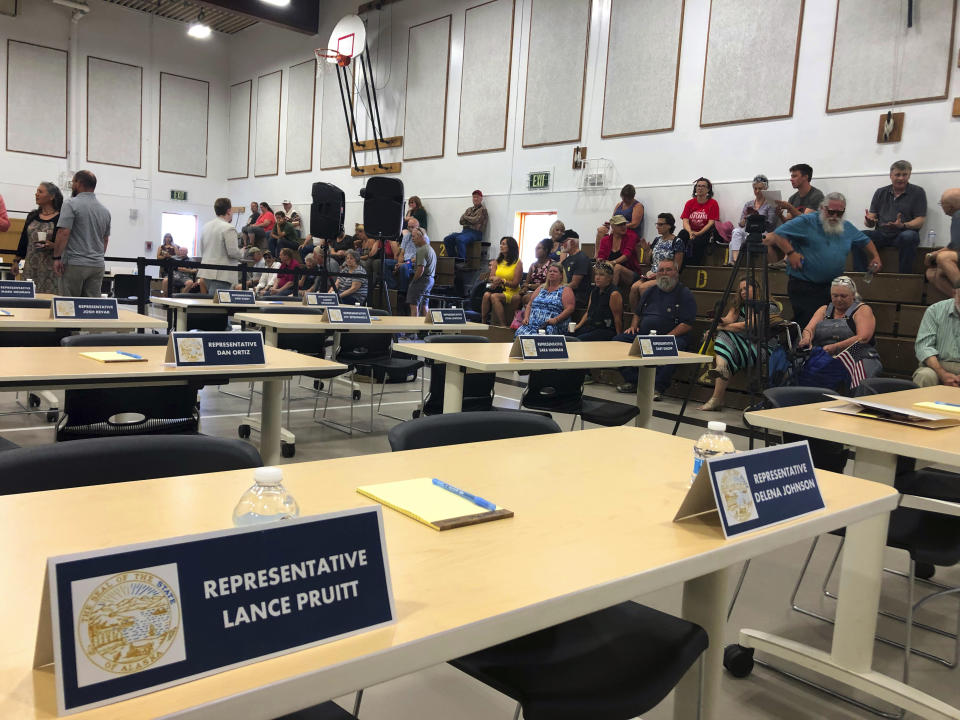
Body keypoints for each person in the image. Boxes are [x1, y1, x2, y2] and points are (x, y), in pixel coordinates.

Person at [764, 192, 882, 330]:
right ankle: (800, 349)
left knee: (831, 326)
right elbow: (778, 234)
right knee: (808, 325)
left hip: (831, 287)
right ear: (822, 208)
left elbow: (865, 240)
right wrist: (791, 253)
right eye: (831, 212)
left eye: (839, 213)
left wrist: (875, 256)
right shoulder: (807, 221)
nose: (834, 216)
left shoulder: (846, 226)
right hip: (805, 285)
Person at [613, 259, 696, 399]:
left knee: (675, 347)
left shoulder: (684, 293)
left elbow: (687, 323)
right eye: (661, 270)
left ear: (676, 273)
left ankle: (657, 387)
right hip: (646, 335)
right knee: (617, 341)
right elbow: (638, 313)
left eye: (668, 270)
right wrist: (633, 326)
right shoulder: (650, 291)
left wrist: (667, 337)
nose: (664, 273)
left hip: (672, 337)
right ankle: (634, 381)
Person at [698, 279, 781, 411]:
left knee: (724, 337)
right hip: (743, 344)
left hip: (762, 347)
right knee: (724, 340)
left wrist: (719, 328)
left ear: (757, 289)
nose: (743, 292)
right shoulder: (739, 305)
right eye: (741, 289)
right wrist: (718, 320)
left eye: (746, 288)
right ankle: (721, 368)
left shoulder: (769, 307)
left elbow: (746, 326)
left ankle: (717, 398)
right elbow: (728, 320)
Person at [797, 275, 883, 388]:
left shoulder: (862, 310)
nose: (838, 299)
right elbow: (809, 329)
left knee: (860, 386)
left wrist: (835, 347)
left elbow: (864, 337)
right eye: (835, 295)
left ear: (853, 295)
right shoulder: (823, 310)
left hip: (858, 357)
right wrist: (806, 338)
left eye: (843, 296)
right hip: (826, 357)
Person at [855, 160, 926, 274]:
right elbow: (871, 220)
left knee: (909, 237)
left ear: (909, 175)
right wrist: (869, 221)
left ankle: (904, 277)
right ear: (890, 176)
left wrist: (903, 225)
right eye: (897, 175)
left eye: (905, 175)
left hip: (903, 234)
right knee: (857, 237)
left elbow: (920, 220)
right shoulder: (880, 192)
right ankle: (861, 276)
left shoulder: (918, 192)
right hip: (882, 234)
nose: (901, 178)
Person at [53, 170, 111, 297]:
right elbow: (105, 240)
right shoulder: (105, 211)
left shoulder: (70, 203)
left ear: (79, 183)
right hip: (97, 266)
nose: (72, 185)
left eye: (73, 182)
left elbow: (63, 232)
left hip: (75, 264)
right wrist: (95, 257)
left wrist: (57, 257)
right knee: (90, 308)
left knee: (69, 307)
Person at [629, 213, 684, 308]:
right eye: (657, 224)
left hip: (667, 276)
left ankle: (648, 316)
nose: (657, 227)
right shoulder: (656, 240)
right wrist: (646, 250)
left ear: (669, 226)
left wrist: (659, 274)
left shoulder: (677, 241)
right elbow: (647, 262)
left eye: (660, 224)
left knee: (643, 287)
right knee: (634, 288)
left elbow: (677, 267)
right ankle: (636, 317)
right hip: (652, 274)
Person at [16, 181, 62, 294]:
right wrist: (15, 261)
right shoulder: (32, 216)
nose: (36, 194)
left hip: (50, 268)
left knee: (48, 299)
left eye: (40, 192)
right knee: (28, 297)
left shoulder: (60, 217)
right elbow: (23, 240)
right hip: (30, 266)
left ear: (51, 196)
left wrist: (53, 245)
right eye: (37, 191)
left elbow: (65, 242)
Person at [912, 280, 960, 387]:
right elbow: (924, 347)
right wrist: (942, 374)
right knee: (924, 376)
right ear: (954, 293)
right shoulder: (935, 310)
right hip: (938, 365)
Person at [196, 197, 243, 295]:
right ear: (229, 211)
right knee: (217, 307)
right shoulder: (229, 228)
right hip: (222, 275)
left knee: (209, 304)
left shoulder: (206, 226)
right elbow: (233, 252)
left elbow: (202, 249)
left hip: (206, 273)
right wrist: (242, 252)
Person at [514, 262, 575, 336]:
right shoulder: (541, 288)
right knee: (520, 332)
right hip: (533, 322)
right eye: (550, 271)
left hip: (552, 324)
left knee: (539, 336)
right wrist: (526, 317)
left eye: (555, 271)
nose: (552, 273)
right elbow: (530, 304)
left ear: (561, 275)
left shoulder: (565, 289)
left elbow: (570, 309)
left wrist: (556, 319)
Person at [568, 261, 623, 341]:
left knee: (578, 340)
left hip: (606, 330)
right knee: (568, 335)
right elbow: (588, 312)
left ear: (609, 278)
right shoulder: (594, 291)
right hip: (591, 327)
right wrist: (578, 326)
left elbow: (617, 319)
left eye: (601, 275)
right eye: (596, 274)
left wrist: (618, 338)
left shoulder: (613, 294)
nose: (597, 277)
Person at [729, 175, 776, 265]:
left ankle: (735, 261)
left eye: (760, 189)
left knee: (733, 243)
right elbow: (741, 224)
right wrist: (746, 219)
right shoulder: (749, 204)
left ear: (766, 189)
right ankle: (735, 261)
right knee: (736, 231)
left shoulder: (770, 204)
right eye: (755, 189)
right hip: (749, 231)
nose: (757, 191)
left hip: (763, 232)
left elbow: (771, 225)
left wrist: (758, 219)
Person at [924, 188, 960, 297]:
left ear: (949, 206)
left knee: (944, 258)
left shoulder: (958, 215)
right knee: (933, 274)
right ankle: (957, 299)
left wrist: (932, 255)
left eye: (942, 204)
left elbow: (955, 246)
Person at [481, 236, 522, 326]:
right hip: (498, 288)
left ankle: (503, 325)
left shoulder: (518, 262)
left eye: (503, 244)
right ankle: (483, 323)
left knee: (494, 297)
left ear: (510, 247)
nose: (501, 246)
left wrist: (502, 281)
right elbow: (491, 277)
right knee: (486, 295)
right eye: (501, 244)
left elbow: (515, 284)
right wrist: (495, 279)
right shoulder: (497, 261)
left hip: (511, 291)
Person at [678, 177, 721, 265]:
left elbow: (711, 222)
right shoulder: (689, 203)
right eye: (698, 186)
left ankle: (693, 265)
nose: (700, 188)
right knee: (682, 235)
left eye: (703, 186)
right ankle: (678, 262)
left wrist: (698, 233)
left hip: (704, 232)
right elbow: (685, 221)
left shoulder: (713, 203)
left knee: (698, 241)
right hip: (691, 231)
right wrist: (690, 232)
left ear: (708, 189)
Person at [595, 215, 640, 289]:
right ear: (612, 226)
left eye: (624, 224)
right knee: (600, 270)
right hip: (610, 271)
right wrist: (600, 262)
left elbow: (627, 255)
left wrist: (612, 263)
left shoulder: (631, 236)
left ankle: (611, 293)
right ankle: (599, 295)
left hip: (631, 273)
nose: (623, 227)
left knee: (617, 267)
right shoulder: (605, 240)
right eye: (619, 225)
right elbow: (601, 256)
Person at [443, 190, 488, 260]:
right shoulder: (469, 209)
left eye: (477, 197)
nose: (475, 199)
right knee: (447, 239)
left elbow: (475, 220)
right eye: (474, 197)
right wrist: (469, 219)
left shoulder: (483, 210)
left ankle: (461, 261)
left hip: (476, 233)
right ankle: (453, 259)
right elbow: (461, 221)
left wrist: (466, 217)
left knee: (460, 239)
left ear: (481, 198)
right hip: (465, 232)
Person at [407, 228, 436, 317]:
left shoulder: (421, 250)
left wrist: (414, 281)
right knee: (424, 305)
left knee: (414, 306)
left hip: (422, 280)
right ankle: (424, 330)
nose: (412, 239)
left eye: (414, 236)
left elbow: (420, 270)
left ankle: (413, 330)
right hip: (430, 280)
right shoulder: (431, 249)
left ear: (420, 236)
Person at [519, 239, 552, 309]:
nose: (536, 250)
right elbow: (526, 283)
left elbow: (547, 284)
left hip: (545, 291)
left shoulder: (551, 264)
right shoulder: (533, 265)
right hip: (531, 291)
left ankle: (527, 318)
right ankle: (515, 319)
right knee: (516, 297)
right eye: (535, 248)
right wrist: (524, 289)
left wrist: (529, 285)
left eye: (538, 248)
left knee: (527, 298)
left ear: (546, 250)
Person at [560, 233, 591, 307]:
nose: (562, 245)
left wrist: (556, 290)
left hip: (578, 296)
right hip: (566, 292)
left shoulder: (582, 258)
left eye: (563, 242)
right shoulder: (566, 260)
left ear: (572, 242)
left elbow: (574, 284)